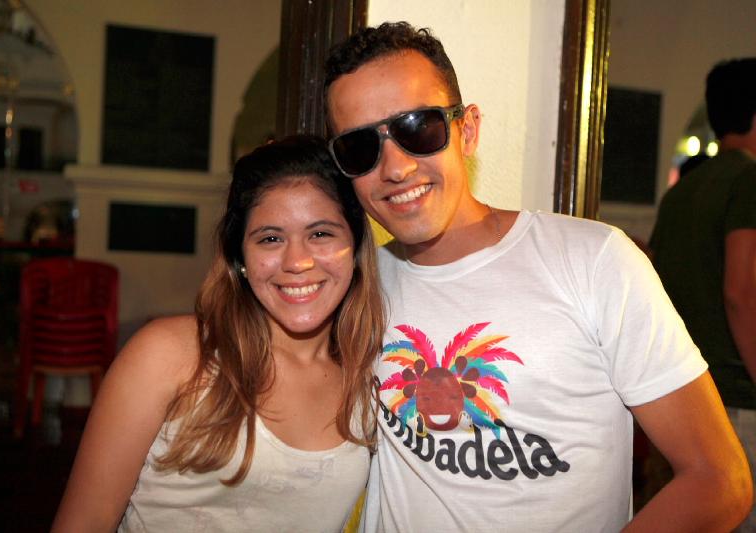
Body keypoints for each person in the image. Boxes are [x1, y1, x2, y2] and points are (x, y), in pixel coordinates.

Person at [323, 22, 752, 532]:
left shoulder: (593, 261)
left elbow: (719, 480)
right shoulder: (353, 289)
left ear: (468, 130)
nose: (395, 167)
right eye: (360, 148)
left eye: (418, 128)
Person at [51, 135, 385, 532]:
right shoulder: (170, 355)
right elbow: (85, 521)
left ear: (355, 248)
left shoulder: (371, 376)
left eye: (321, 234)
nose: (297, 261)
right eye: (271, 238)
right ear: (240, 257)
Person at [650, 57, 756, 529]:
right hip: (738, 392)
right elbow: (742, 293)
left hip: (685, 395)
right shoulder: (749, 179)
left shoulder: (683, 191)